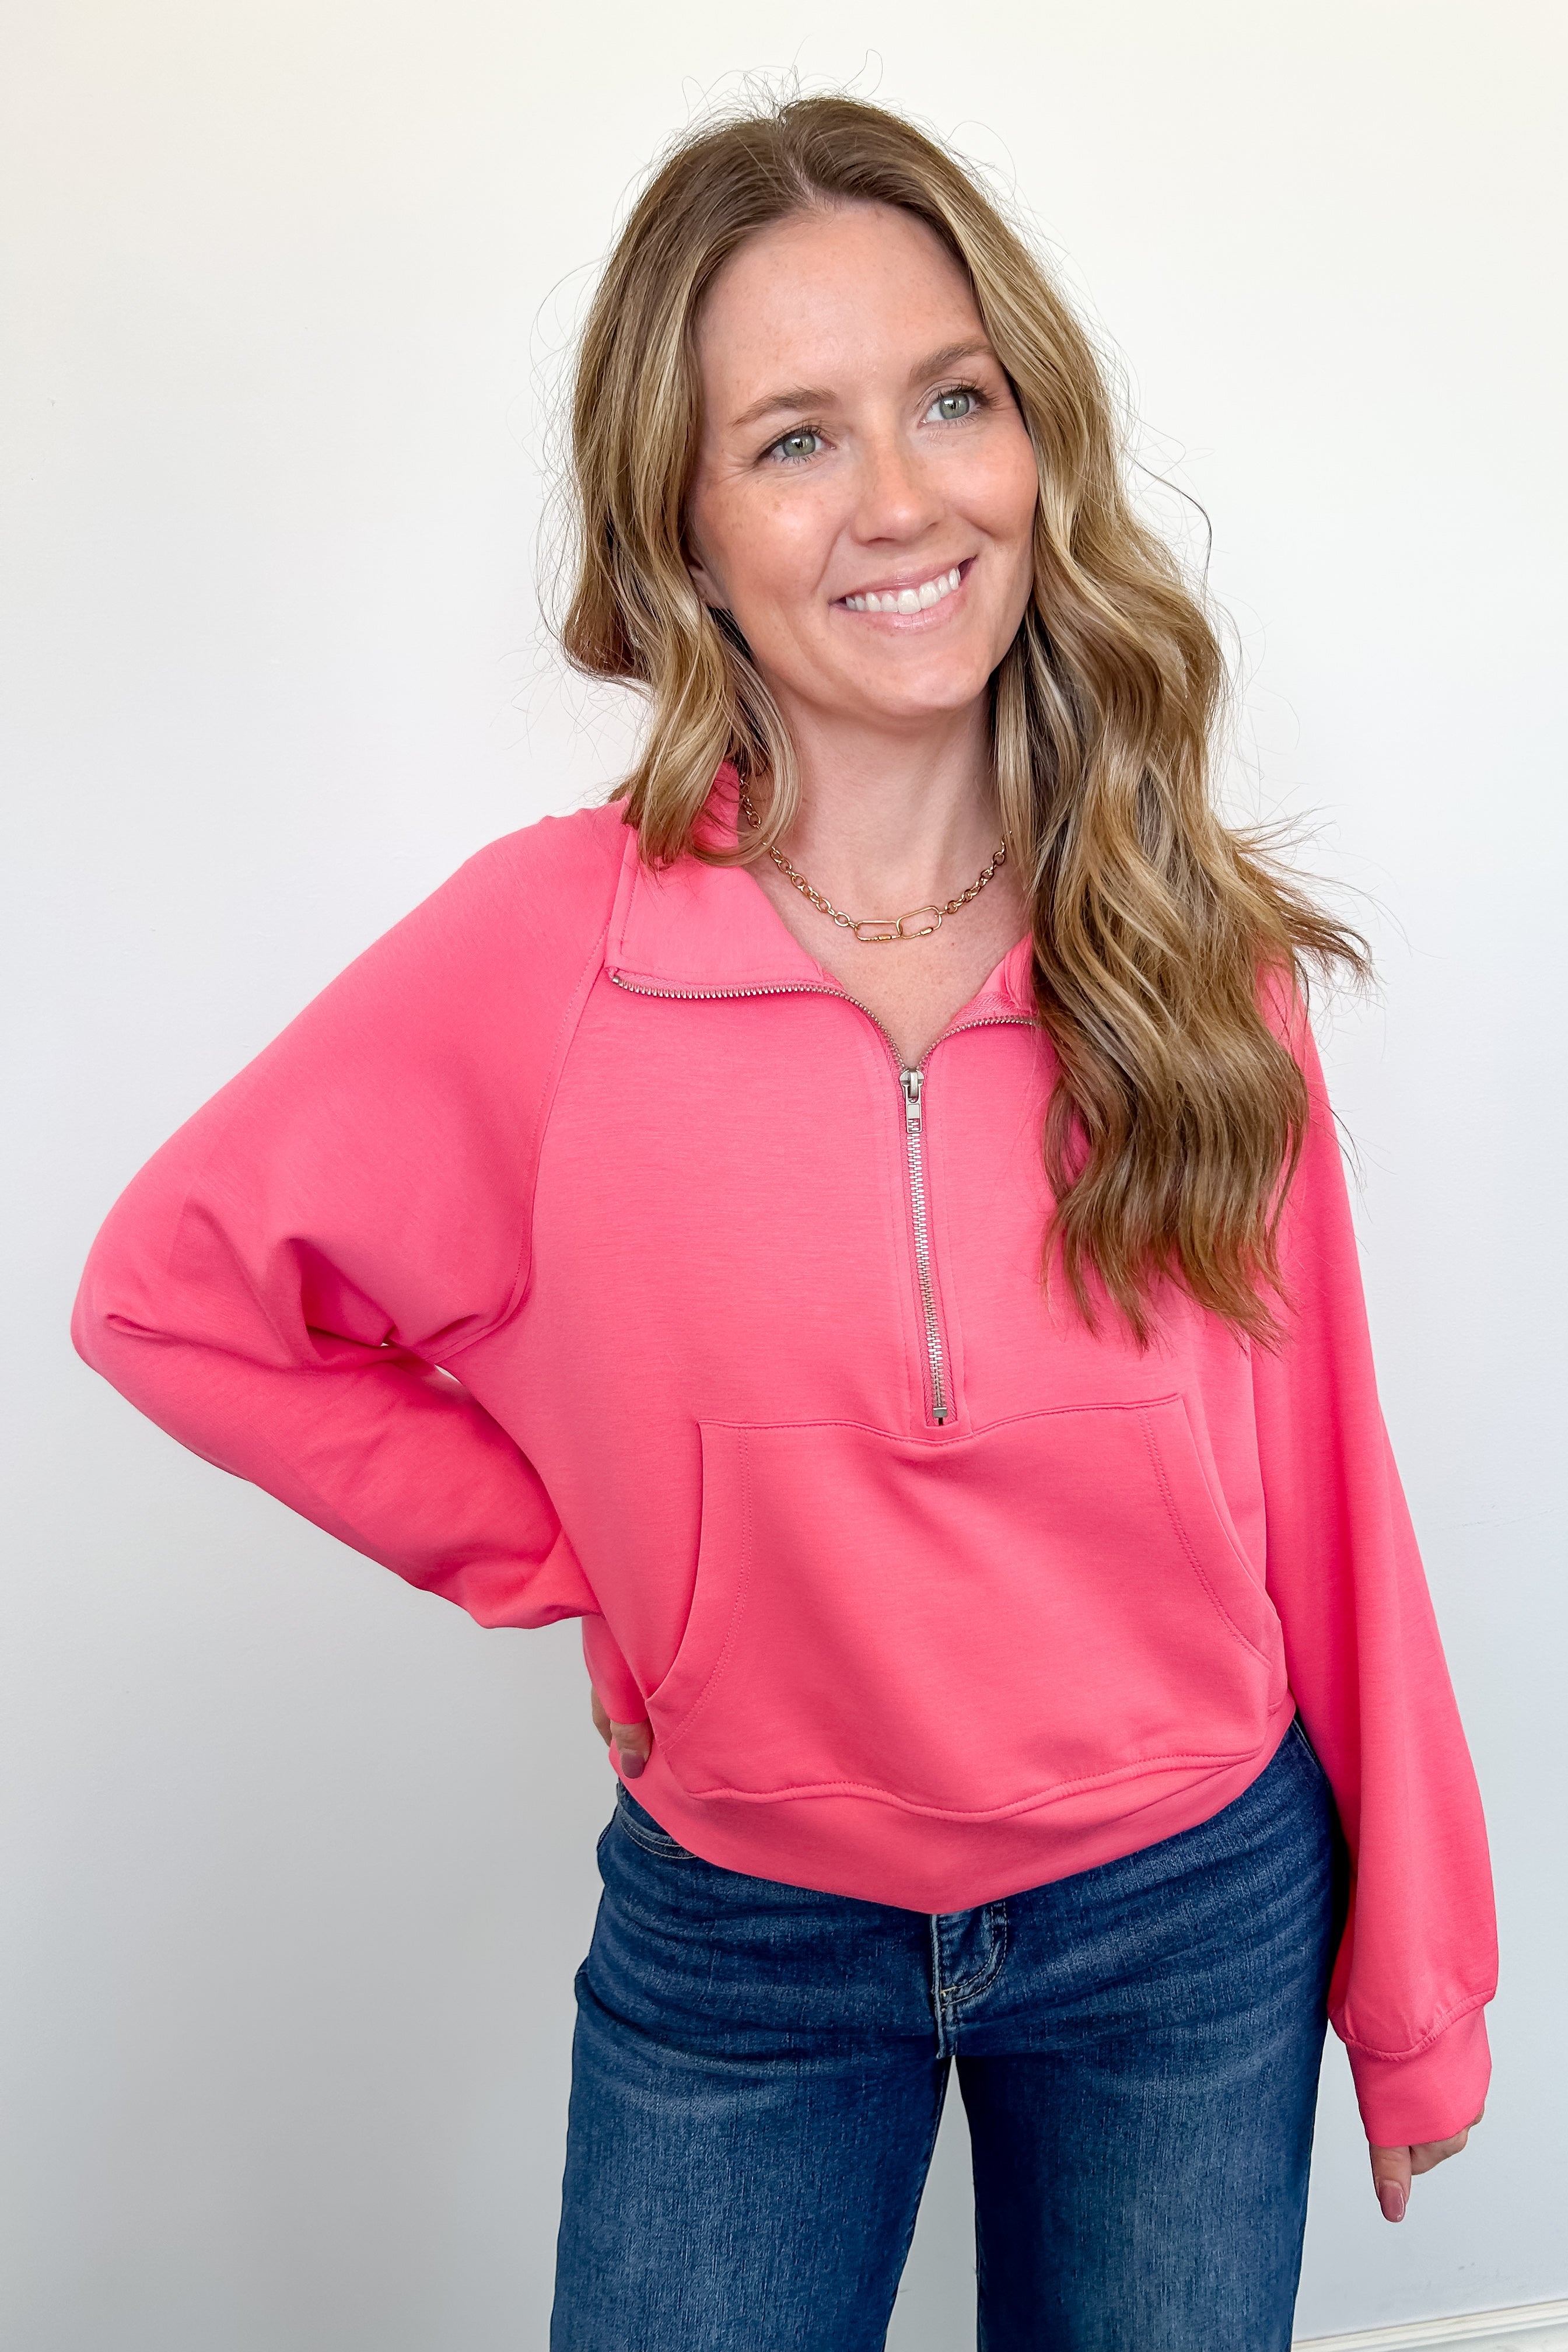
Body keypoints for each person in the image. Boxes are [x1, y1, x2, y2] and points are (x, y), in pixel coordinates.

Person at [72, 92, 1496, 2352]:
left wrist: (1415, 1992)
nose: (906, 495)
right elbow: (174, 1295)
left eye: (952, 399)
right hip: (747, 1938)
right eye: (797, 439)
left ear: (1036, 442)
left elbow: (1332, 1501)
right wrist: (579, 1560)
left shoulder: (1180, 942)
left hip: (1192, 1922)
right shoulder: (548, 963)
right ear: (686, 530)